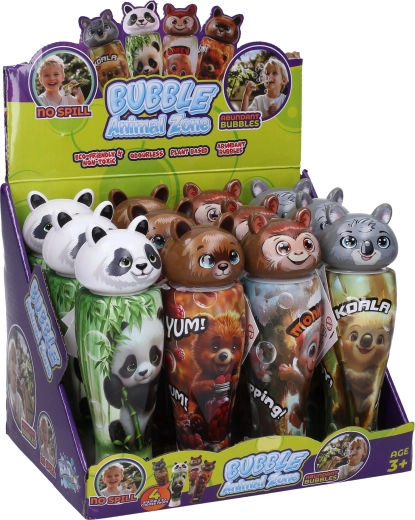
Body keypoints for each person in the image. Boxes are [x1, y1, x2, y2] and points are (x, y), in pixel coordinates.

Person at [8, 340, 26, 428]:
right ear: (8, 365)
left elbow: (24, 424)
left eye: (16, 362)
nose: (15, 365)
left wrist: (24, 393)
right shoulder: (7, 392)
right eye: (12, 359)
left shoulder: (19, 398)